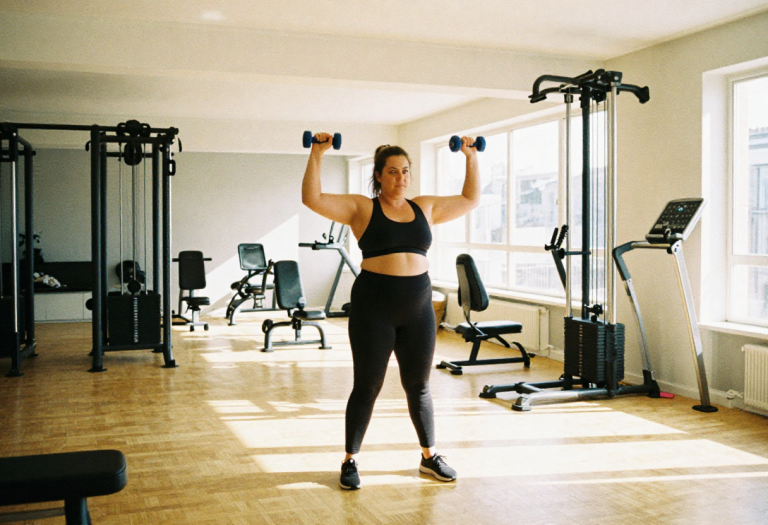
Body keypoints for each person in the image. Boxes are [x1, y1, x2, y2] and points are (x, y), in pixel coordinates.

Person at [301, 133, 480, 490]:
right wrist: (317, 153)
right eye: (393, 171)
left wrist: (471, 156)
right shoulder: (362, 208)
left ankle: (429, 456)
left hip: (418, 310)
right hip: (374, 309)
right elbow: (312, 198)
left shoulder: (425, 207)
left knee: (420, 386)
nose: (401, 178)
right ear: (379, 176)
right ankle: (349, 460)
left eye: (406, 171)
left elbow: (470, 199)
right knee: (367, 386)